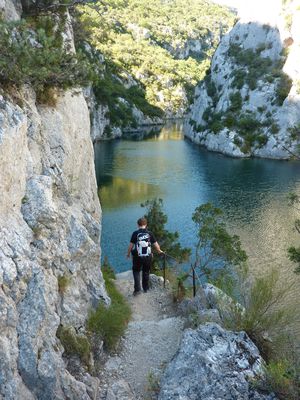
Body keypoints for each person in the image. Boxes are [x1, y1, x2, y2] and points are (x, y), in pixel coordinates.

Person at [127, 217, 163, 295]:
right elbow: (156, 245)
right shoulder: (149, 233)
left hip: (137, 256)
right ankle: (146, 289)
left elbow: (131, 245)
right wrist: (159, 251)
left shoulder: (135, 233)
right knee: (146, 272)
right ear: (146, 225)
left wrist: (128, 254)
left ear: (138, 225)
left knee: (136, 271)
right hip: (148, 256)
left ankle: (137, 290)